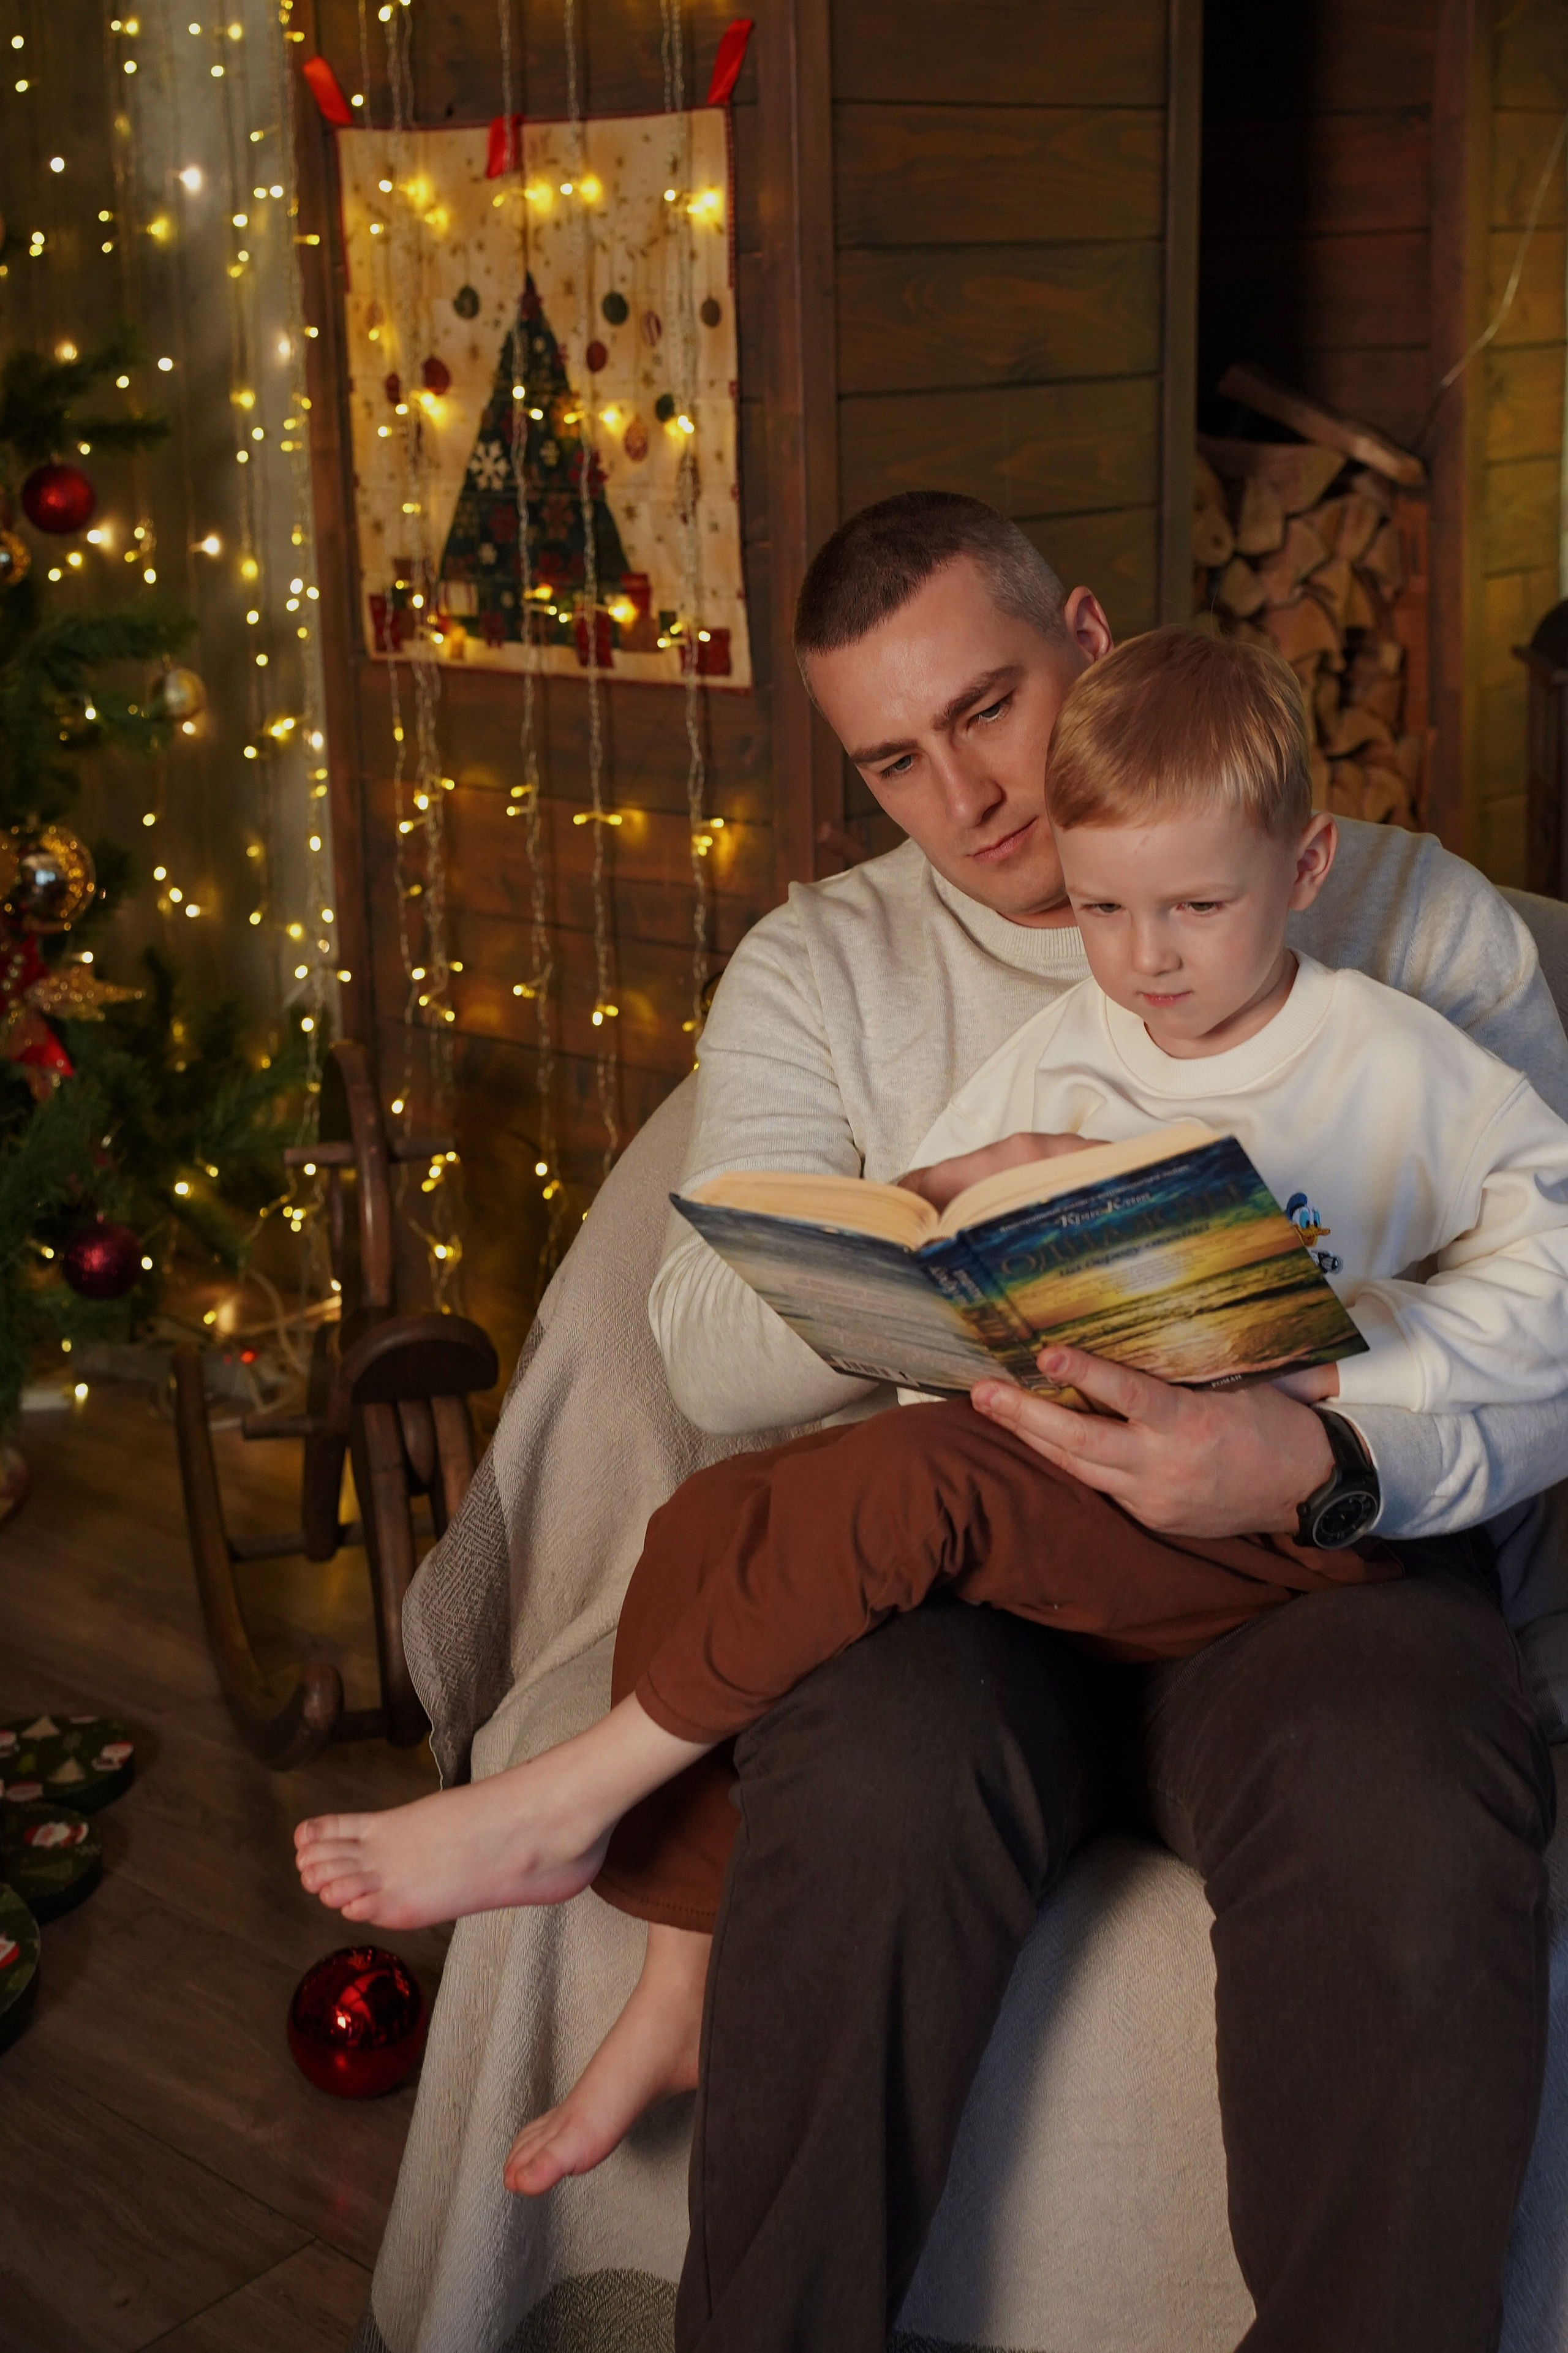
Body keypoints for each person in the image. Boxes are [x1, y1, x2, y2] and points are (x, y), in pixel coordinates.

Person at [347, 496, 1568, 2351]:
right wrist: (940, 1260)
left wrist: (1317, 1448)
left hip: (1333, 1548)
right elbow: (702, 1349)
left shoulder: (1405, 922)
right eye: (895, 764)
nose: (971, 800)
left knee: (1405, 1806)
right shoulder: (829, 968)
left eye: (988, 708)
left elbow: (1551, 1271)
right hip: (991, 1558)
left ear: (1084, 634)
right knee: (869, 1771)